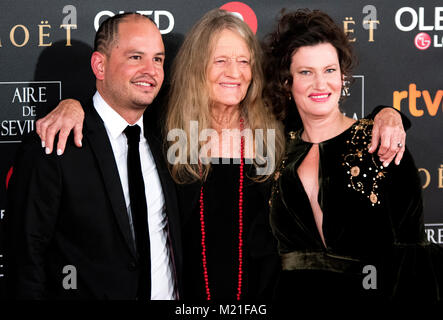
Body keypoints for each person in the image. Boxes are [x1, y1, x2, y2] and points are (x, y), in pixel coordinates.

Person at [33, 9, 407, 301]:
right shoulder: (165, 126)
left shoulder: (277, 124)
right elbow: (120, 96)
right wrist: (74, 104)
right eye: (220, 61)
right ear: (199, 66)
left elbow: (329, 112)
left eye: (244, 61)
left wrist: (387, 115)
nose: (234, 73)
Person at [266, 9, 443, 302]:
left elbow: (413, 258)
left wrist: (387, 115)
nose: (321, 84)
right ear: (287, 82)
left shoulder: (381, 142)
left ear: (343, 76)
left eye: (329, 70)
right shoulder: (280, 150)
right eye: (306, 72)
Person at [5, 13, 182, 300]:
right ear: (100, 65)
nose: (151, 70)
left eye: (158, 59)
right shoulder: (54, 142)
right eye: (136, 57)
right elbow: (25, 260)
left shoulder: (167, 137)